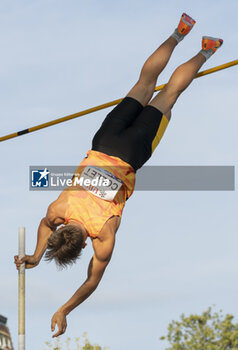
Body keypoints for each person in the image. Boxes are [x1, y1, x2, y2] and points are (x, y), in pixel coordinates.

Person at [14, 13, 223, 338]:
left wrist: (64, 308)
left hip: (132, 153)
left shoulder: (102, 236)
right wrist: (37, 256)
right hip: (104, 141)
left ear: (84, 245)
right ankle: (178, 33)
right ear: (62, 230)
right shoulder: (58, 212)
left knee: (167, 96)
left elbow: (92, 281)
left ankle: (206, 51)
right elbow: (44, 224)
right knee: (144, 84)